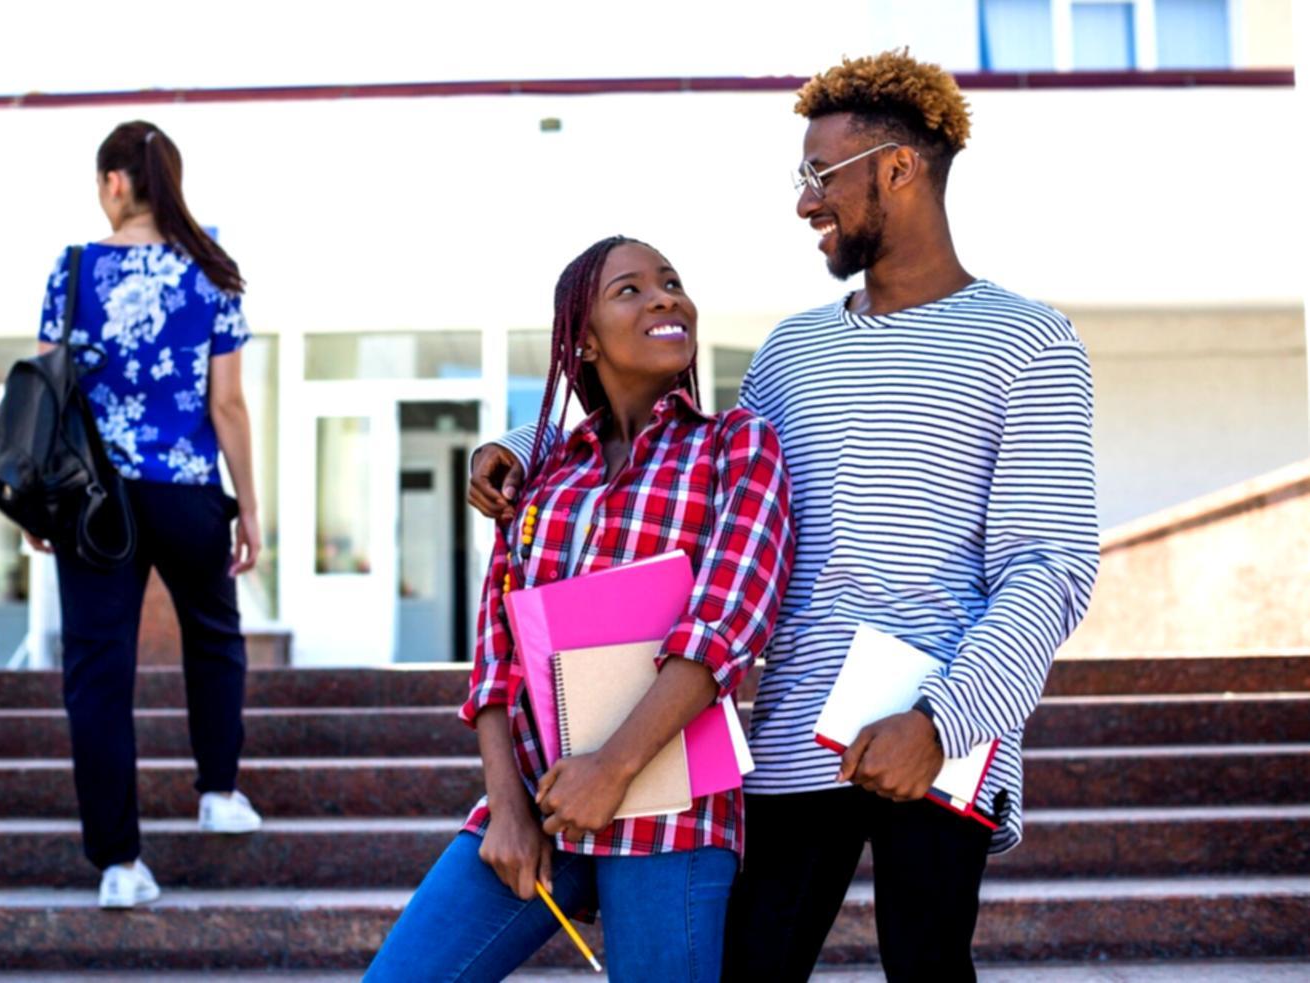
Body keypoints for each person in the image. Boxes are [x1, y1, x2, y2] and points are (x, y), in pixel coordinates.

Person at [468, 52, 1100, 981]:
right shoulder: (793, 351)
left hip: (942, 724)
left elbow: (1050, 566)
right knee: (753, 967)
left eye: (820, 174)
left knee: (928, 966)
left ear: (897, 168)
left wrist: (943, 719)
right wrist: (525, 445)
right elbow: (679, 437)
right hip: (796, 724)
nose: (805, 202)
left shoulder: (1030, 341)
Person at [366, 236, 793, 981]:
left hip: (672, 801)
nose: (665, 297)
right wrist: (505, 805)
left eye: (672, 282)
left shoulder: (735, 444)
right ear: (584, 339)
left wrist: (612, 768)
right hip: (541, 796)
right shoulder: (542, 473)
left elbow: (727, 622)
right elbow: (497, 652)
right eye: (630, 289)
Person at [28, 120, 265, 909]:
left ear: (115, 183)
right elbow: (226, 403)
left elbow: (48, 392)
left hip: (92, 500)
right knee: (213, 634)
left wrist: (41, 495)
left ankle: (119, 865)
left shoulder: (70, 272)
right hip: (187, 486)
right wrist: (250, 506)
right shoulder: (212, 268)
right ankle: (219, 792)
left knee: (97, 672)